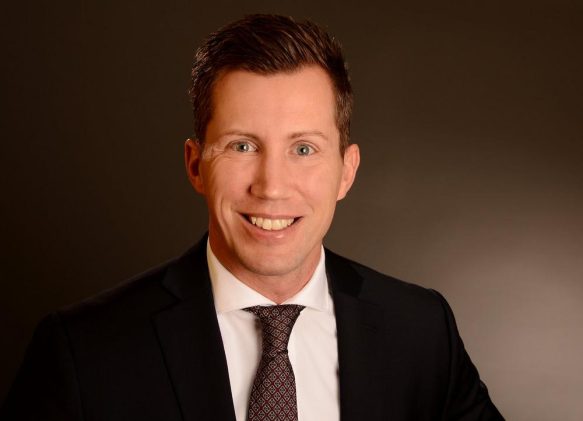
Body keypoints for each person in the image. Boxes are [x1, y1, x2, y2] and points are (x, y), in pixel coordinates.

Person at [1, 14, 503, 421]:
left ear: (346, 173)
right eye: (242, 146)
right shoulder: (82, 350)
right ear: (196, 166)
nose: (272, 186)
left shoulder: (421, 331)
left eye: (303, 149)